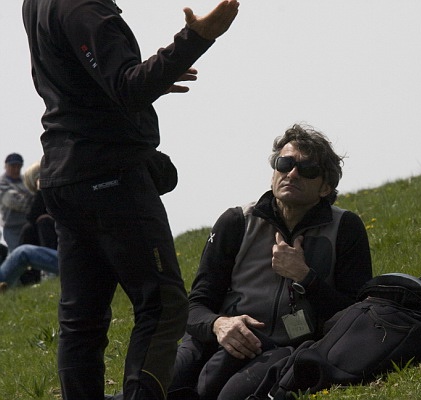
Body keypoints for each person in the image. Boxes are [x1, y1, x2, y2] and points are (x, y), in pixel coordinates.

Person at [22, 1, 240, 399]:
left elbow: (93, 81)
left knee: (81, 321)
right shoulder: (82, 6)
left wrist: (151, 75)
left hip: (66, 177)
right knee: (163, 305)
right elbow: (128, 87)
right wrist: (196, 39)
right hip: (109, 176)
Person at [168, 124, 373, 400]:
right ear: (274, 172)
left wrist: (304, 277)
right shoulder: (236, 222)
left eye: (307, 169)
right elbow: (195, 306)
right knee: (151, 389)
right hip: (216, 339)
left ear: (325, 187)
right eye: (285, 164)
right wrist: (219, 325)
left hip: (283, 350)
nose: (292, 174)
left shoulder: (345, 228)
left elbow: (357, 318)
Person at [0, 153, 33, 252]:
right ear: (6, 166)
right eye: (13, 166)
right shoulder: (2, 183)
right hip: (11, 228)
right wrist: (32, 200)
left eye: (18, 166)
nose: (16, 169)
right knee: (17, 253)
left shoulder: (26, 180)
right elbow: (14, 201)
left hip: (28, 226)